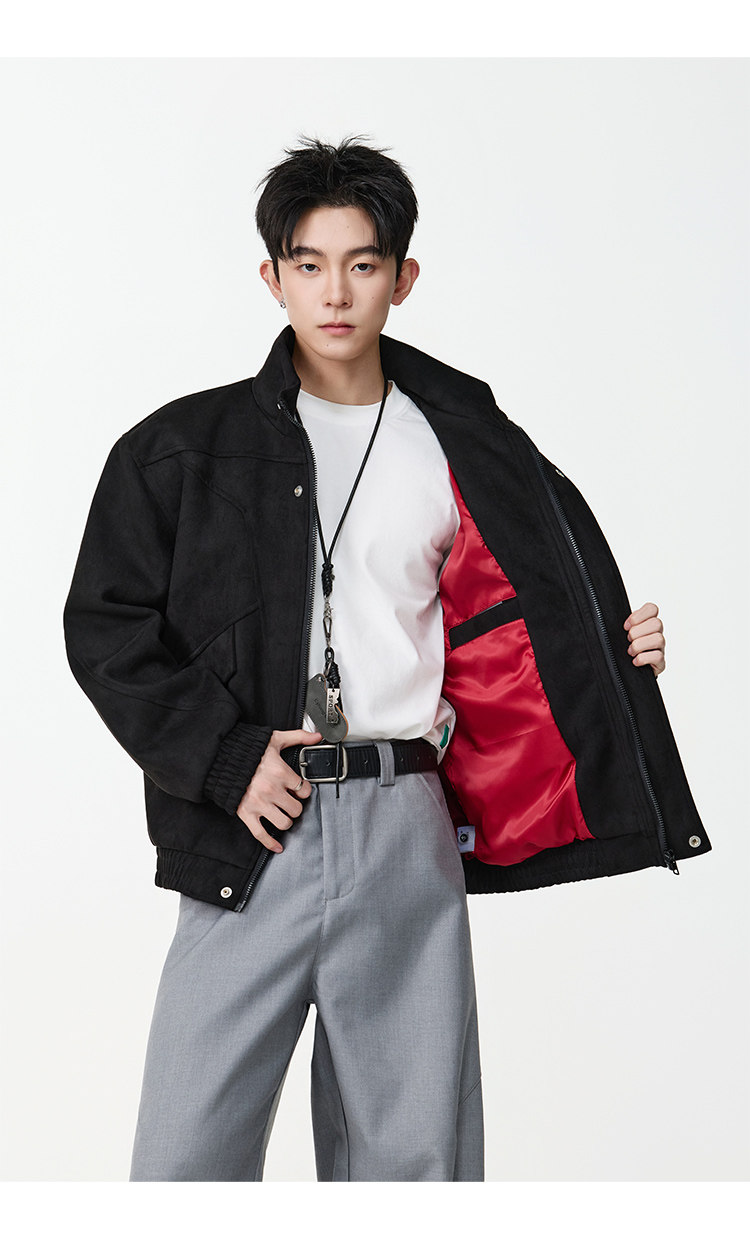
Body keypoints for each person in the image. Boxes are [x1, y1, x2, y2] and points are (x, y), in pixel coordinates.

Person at [63, 136, 709, 1183]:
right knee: (185, 1160)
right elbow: (106, 626)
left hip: (406, 817)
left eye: (362, 264)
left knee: (417, 1164)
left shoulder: (463, 441)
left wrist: (612, 648)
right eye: (309, 264)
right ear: (271, 276)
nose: (335, 292)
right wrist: (225, 761)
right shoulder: (178, 449)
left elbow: (511, 611)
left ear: (403, 278)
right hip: (250, 828)